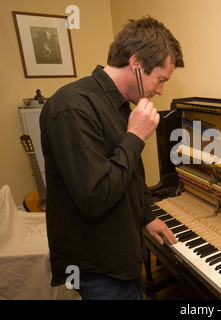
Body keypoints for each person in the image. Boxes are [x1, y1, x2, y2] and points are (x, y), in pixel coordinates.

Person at [40, 16, 184, 300]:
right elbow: (95, 198)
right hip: (100, 267)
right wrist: (136, 137)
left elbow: (131, 173)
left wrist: (146, 216)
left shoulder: (120, 104)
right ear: (137, 64)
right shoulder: (72, 107)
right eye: (160, 79)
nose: (160, 90)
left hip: (124, 253)